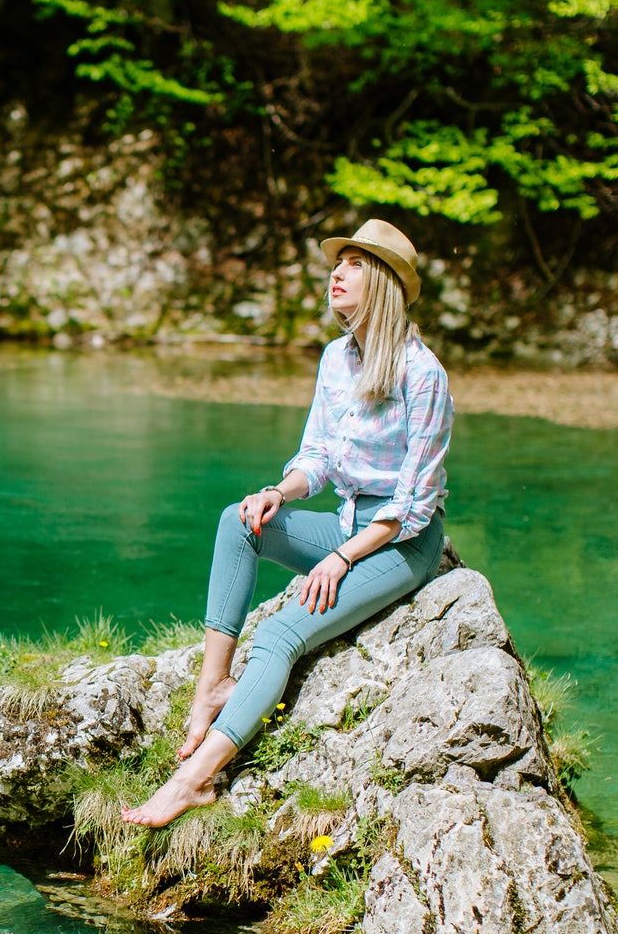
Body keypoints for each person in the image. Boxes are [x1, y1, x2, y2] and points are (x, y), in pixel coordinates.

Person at [121, 218, 453, 828]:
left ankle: (194, 782)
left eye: (353, 264)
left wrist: (343, 555)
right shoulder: (336, 358)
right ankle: (212, 690)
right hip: (350, 520)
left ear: (381, 281)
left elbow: (413, 505)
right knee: (237, 521)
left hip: (401, 544)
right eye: (337, 262)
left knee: (279, 636)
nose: (336, 273)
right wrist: (279, 490)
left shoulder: (424, 374)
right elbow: (318, 458)